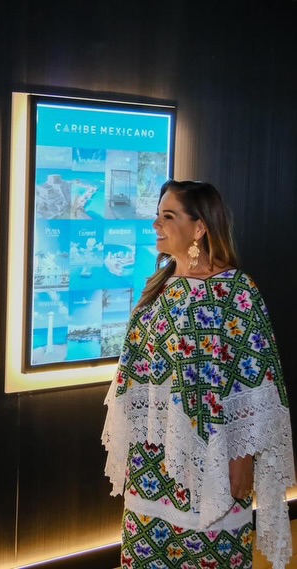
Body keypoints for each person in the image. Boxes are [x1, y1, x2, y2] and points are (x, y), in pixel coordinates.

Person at [102, 180, 296, 568]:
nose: (156, 224)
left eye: (168, 216)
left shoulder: (236, 291)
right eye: (157, 215)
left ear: (200, 227)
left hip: (213, 458)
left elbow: (254, 378)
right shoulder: (157, 286)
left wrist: (242, 459)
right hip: (152, 463)